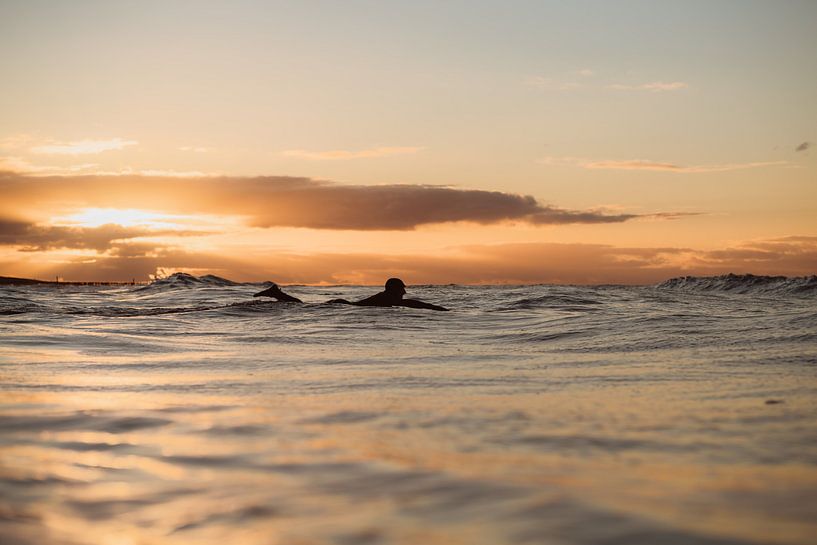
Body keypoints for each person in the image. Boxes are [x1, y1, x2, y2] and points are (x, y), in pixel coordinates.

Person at [255, 277, 448, 311]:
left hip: (342, 304)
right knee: (302, 306)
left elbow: (412, 303)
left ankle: (278, 294)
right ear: (393, 289)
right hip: (342, 306)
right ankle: (277, 294)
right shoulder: (389, 299)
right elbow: (413, 304)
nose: (405, 292)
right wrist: (440, 309)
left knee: (303, 306)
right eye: (401, 288)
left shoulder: (387, 298)